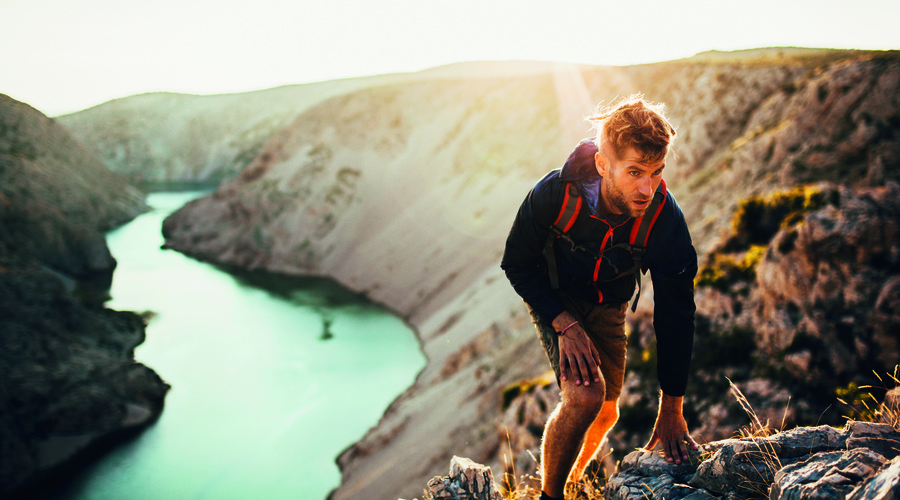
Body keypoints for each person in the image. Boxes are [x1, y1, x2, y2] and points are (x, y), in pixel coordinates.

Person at [500, 94, 700, 500]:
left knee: (608, 410)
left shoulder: (665, 222)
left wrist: (673, 409)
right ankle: (549, 496)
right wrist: (564, 324)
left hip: (610, 305)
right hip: (554, 295)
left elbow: (676, 314)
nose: (648, 188)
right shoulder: (554, 193)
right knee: (585, 397)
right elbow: (516, 264)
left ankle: (569, 480)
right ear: (603, 164)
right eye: (635, 172)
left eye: (657, 172)